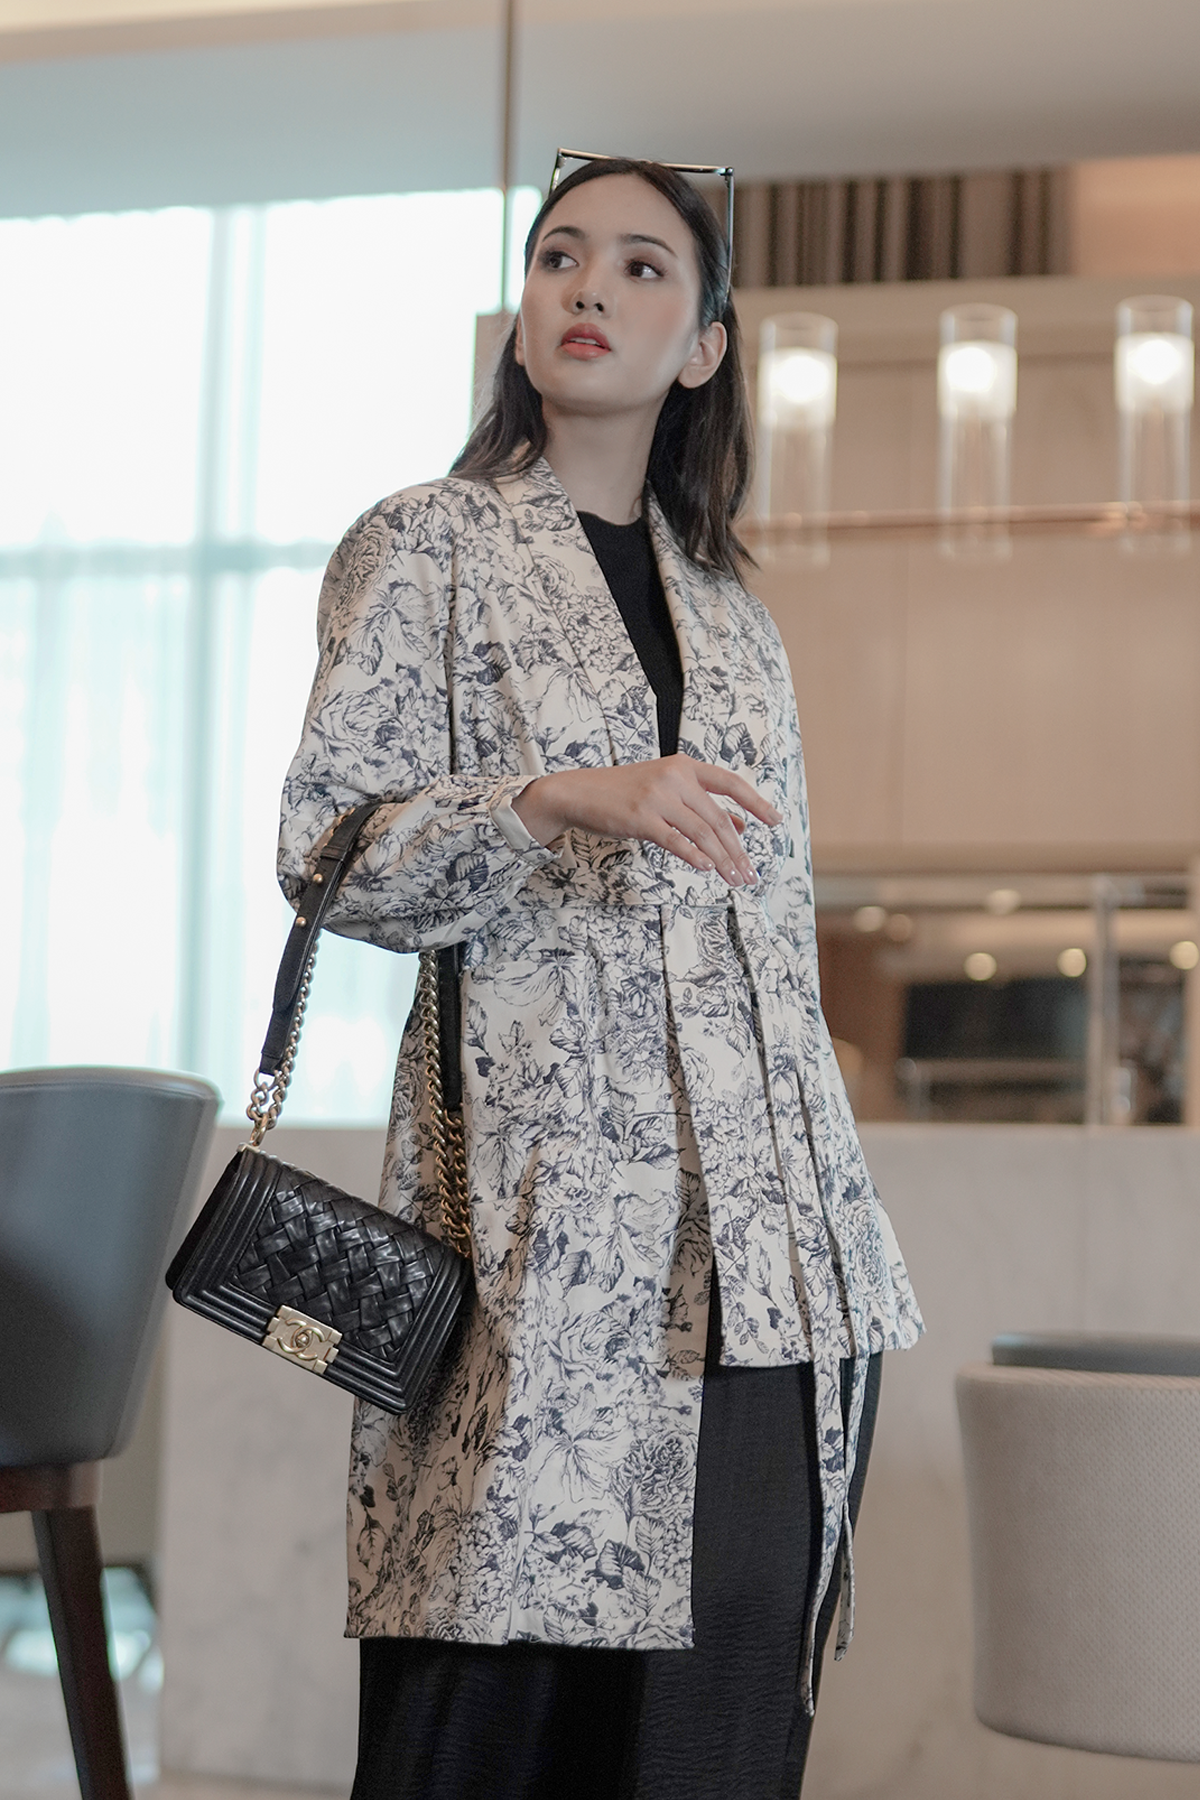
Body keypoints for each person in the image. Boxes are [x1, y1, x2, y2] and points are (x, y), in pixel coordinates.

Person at [277, 155, 922, 1800]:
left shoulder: (736, 615)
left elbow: (774, 938)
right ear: (522, 314)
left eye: (643, 267)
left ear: (704, 345)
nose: (588, 287)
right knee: (493, 1715)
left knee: (717, 1730)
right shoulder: (426, 546)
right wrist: (555, 799)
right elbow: (328, 857)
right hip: (544, 1236)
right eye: (560, 256)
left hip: (777, 1258)